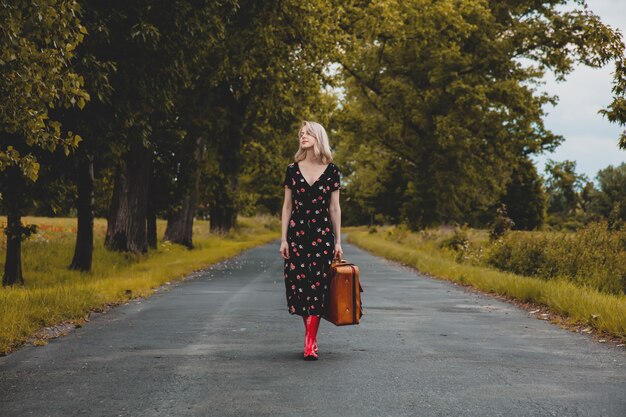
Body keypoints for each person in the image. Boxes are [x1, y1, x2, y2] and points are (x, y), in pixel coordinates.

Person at [280, 120, 343, 360]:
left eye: (308, 133)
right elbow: (287, 207)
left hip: (322, 237)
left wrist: (338, 241)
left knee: (317, 287)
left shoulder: (332, 171)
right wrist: (283, 239)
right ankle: (310, 337)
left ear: (319, 138)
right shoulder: (292, 170)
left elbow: (335, 209)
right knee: (299, 286)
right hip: (296, 236)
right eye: (301, 134)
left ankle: (310, 342)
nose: (303, 137)